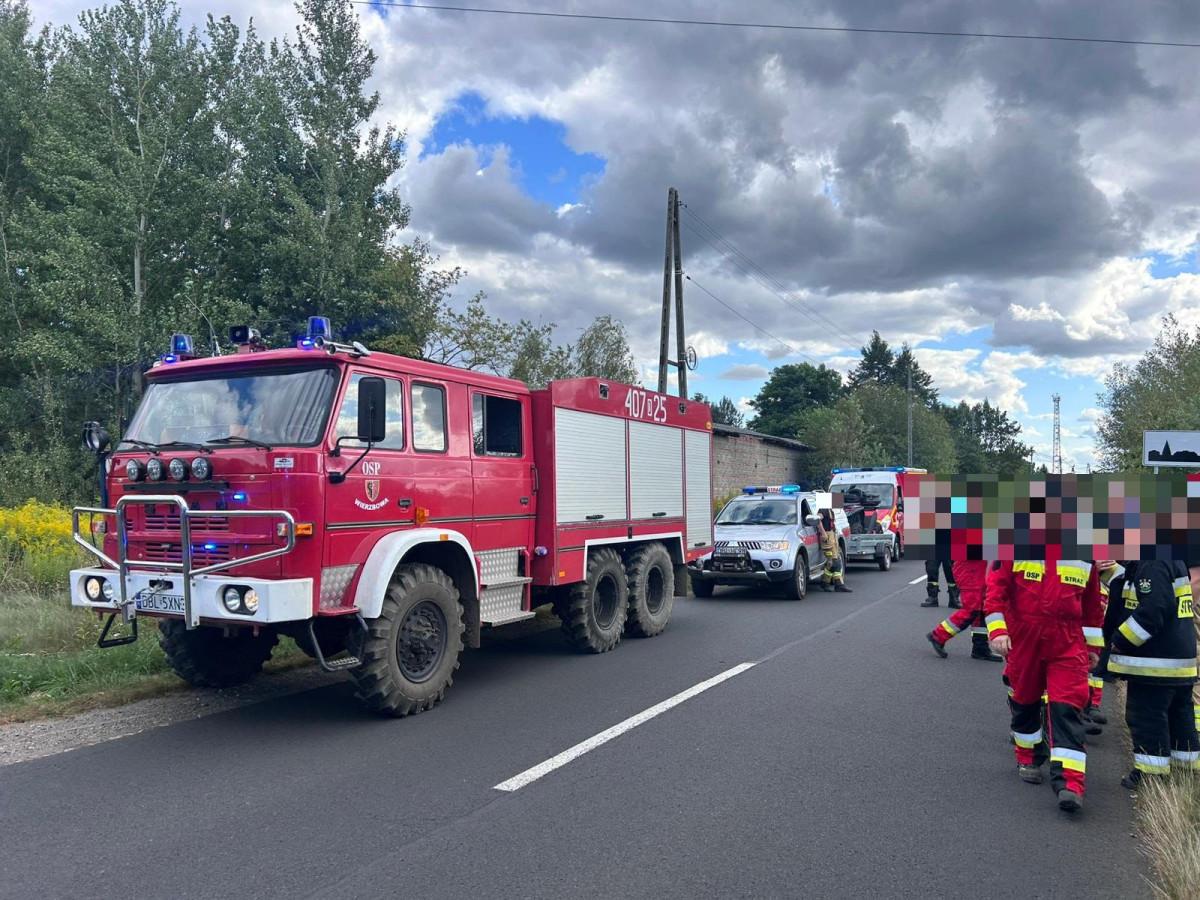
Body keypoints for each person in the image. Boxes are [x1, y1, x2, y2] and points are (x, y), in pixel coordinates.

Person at [986, 558, 1104, 813]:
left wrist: (1093, 648)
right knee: (1025, 701)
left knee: (1067, 707)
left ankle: (1070, 785)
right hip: (1024, 638)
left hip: (1067, 641)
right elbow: (995, 593)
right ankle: (1028, 757)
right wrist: (998, 631)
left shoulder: (1084, 557)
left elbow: (1092, 607)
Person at [1102, 560, 1200, 790]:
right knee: (1180, 716)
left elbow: (1153, 609)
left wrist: (1121, 641)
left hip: (1155, 664)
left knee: (1147, 717)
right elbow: (1132, 585)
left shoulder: (1152, 564)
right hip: (1178, 662)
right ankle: (1184, 772)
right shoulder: (1170, 559)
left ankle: (1151, 775)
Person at [926, 559, 1003, 662]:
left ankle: (980, 647)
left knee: (980, 610)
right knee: (971, 610)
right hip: (969, 571)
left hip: (974, 570)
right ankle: (938, 635)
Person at [815, 510, 851, 593]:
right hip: (827, 538)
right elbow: (817, 519)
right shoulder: (823, 509)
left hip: (832, 536)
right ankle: (837, 585)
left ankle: (828, 583)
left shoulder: (829, 510)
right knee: (834, 562)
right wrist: (823, 533)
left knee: (834, 562)